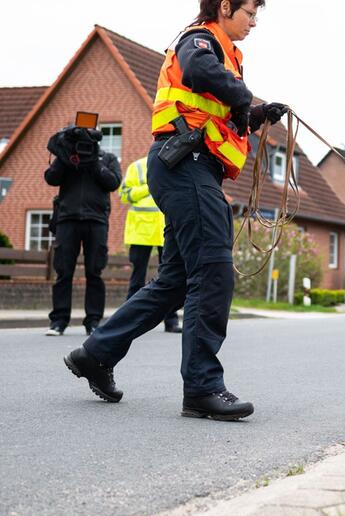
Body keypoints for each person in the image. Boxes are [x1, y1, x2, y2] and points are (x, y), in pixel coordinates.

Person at [63, 0, 287, 421]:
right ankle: (202, 387)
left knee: (175, 282)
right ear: (225, 7)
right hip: (187, 166)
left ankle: (96, 353)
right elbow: (199, 71)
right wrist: (244, 97)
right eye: (250, 13)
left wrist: (255, 115)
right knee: (213, 271)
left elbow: (211, 110)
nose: (255, 22)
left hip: (186, 167)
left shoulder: (222, 51)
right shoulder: (200, 39)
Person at [44, 125, 122, 336]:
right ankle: (59, 321)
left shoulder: (107, 158)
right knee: (63, 272)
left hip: (96, 220)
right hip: (67, 219)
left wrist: (94, 162)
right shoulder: (68, 158)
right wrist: (64, 155)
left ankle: (93, 321)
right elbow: (51, 178)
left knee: (94, 272)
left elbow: (113, 182)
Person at [119, 157, 181, 333]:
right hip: (142, 230)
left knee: (171, 277)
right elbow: (125, 194)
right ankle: (129, 320)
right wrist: (149, 186)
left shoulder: (173, 162)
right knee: (137, 278)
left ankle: (171, 321)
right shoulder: (137, 166)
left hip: (165, 229)